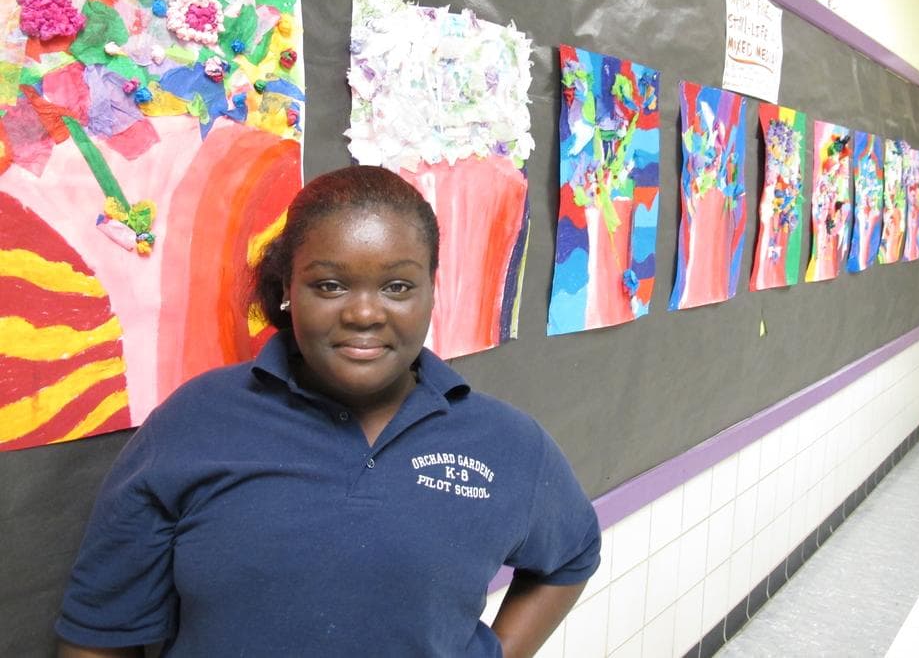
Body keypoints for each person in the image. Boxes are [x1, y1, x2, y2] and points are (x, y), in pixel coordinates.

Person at [56, 165, 600, 657]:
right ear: (288, 289)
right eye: (330, 285)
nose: (364, 313)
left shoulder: (505, 443)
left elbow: (572, 556)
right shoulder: (195, 424)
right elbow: (98, 635)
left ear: (432, 291)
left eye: (397, 286)